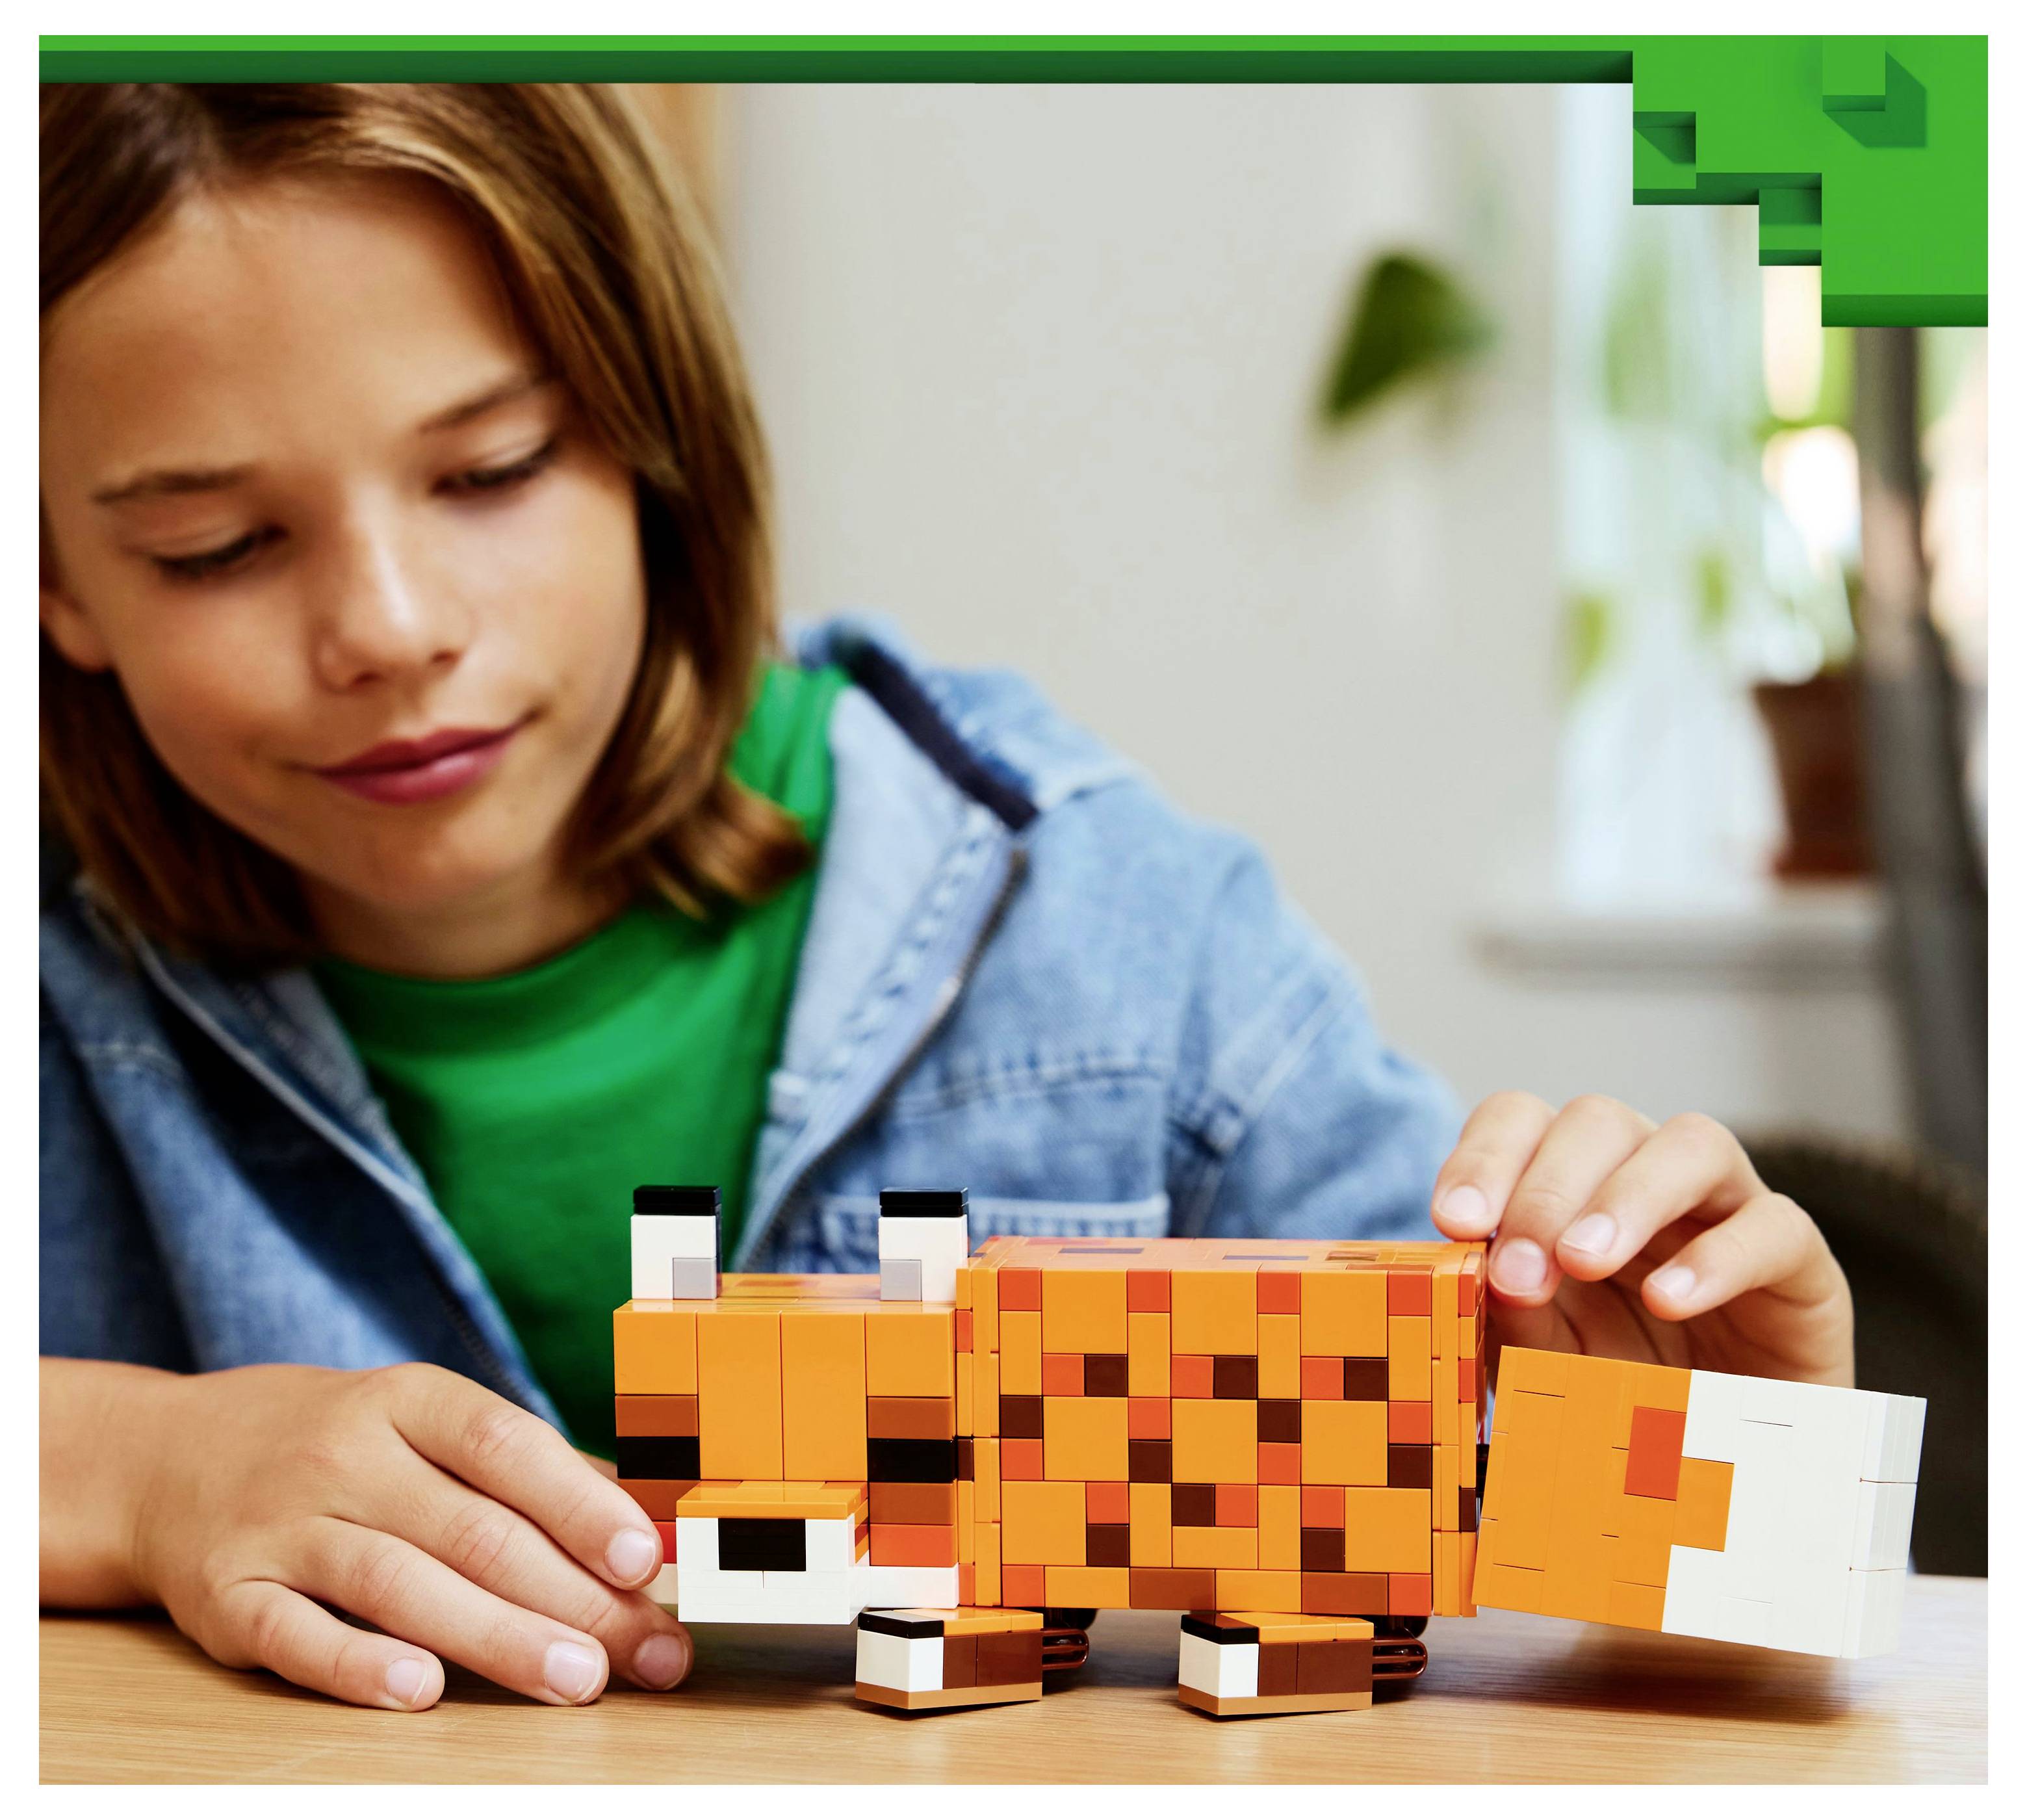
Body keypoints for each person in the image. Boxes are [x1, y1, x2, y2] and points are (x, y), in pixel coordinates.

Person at [39, 83, 1854, 1717]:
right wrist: (138, 1468)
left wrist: (1741, 1479)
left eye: (494, 468)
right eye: (216, 545)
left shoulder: (1125, 945)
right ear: (50, 573)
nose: (388, 629)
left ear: (661, 442)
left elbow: (1584, 1588)